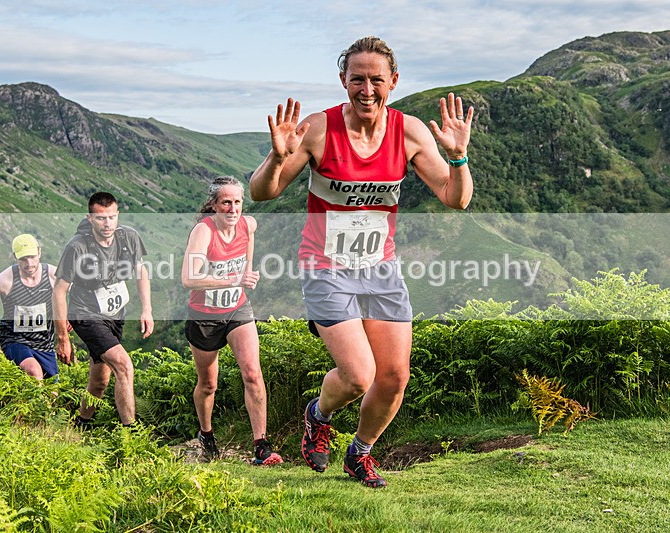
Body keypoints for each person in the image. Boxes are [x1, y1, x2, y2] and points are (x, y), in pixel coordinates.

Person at [250, 36, 474, 487]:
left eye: (376, 79)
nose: (366, 89)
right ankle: (318, 416)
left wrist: (458, 158)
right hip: (325, 266)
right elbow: (262, 192)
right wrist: (277, 157)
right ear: (343, 81)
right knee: (357, 376)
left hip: (380, 268)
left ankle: (360, 453)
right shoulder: (318, 129)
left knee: (392, 377)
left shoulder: (409, 132)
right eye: (357, 79)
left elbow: (456, 198)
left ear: (393, 81)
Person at [181, 176, 283, 466]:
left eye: (237, 202)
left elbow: (247, 252)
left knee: (252, 373)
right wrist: (232, 278)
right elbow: (188, 279)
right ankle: (206, 435)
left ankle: (261, 446)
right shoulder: (203, 231)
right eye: (226, 202)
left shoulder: (248, 225)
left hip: (237, 310)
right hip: (205, 317)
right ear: (214, 205)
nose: (233, 208)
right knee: (208, 384)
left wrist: (246, 276)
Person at [53, 191, 154, 426]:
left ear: (117, 215)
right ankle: (131, 435)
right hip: (85, 313)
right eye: (100, 218)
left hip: (115, 314)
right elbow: (59, 290)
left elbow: (141, 271)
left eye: (111, 217)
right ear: (89, 218)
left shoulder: (129, 237)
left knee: (100, 381)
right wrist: (62, 337)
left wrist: (147, 309)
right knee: (123, 365)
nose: (107, 223)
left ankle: (82, 424)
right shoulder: (76, 247)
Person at [0, 234, 59, 380]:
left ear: (39, 252)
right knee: (34, 371)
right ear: (15, 257)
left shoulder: (53, 275)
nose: (29, 263)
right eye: (23, 259)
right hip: (14, 340)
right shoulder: (6, 279)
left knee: (53, 391)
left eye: (32, 257)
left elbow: (78, 292)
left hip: (44, 342)